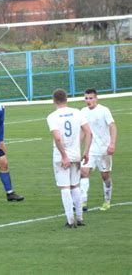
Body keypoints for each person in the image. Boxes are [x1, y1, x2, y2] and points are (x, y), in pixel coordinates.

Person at [47, 88, 92, 228]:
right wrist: (86, 151)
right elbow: (88, 132)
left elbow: (57, 138)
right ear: (66, 99)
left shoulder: (52, 116)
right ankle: (80, 218)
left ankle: (70, 220)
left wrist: (64, 156)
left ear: (54, 101)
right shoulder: (77, 112)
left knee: (65, 188)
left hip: (61, 156)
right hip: (76, 154)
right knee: (75, 186)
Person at [80, 88, 117, 212]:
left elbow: (112, 126)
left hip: (103, 149)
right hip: (90, 149)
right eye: (86, 98)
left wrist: (112, 144)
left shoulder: (104, 110)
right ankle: (83, 201)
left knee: (105, 176)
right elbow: (83, 131)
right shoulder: (83, 112)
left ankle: (107, 201)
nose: (88, 100)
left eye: (90, 98)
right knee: (83, 172)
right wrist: (78, 144)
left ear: (96, 98)